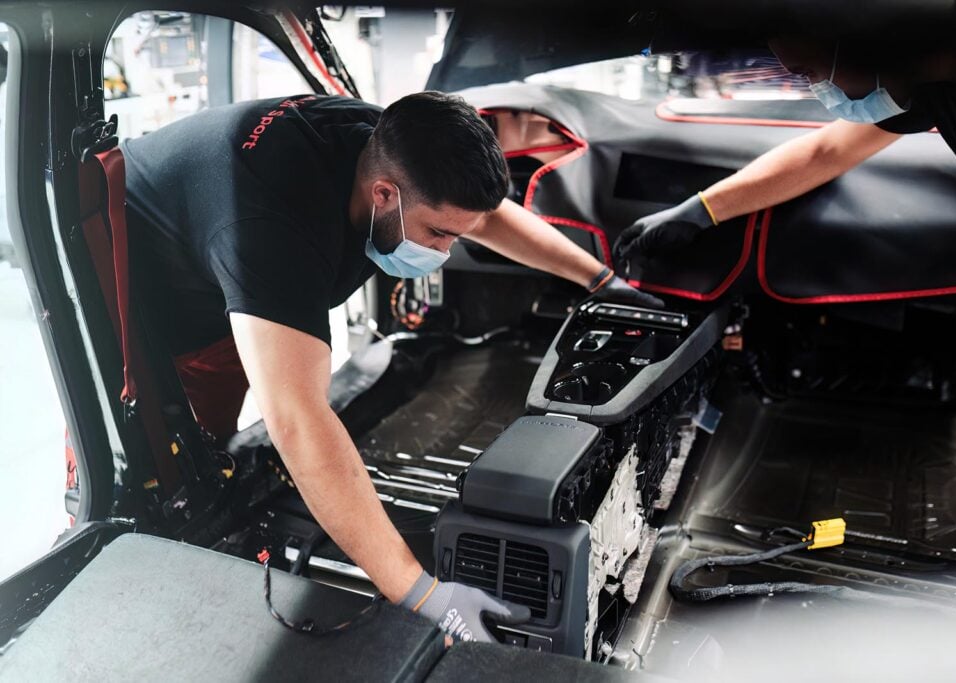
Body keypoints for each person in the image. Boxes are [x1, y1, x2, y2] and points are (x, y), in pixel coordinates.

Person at [123, 91, 662, 642]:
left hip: (222, 260)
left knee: (216, 454)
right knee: (160, 488)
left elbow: (489, 219)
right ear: (383, 194)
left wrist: (599, 281)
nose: (447, 252)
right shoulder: (271, 226)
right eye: (438, 236)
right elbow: (298, 423)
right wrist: (420, 592)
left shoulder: (393, 142)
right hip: (144, 306)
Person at [615, 36, 956, 261]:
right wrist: (701, 211)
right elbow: (827, 153)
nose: (820, 90)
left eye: (809, 73)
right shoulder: (935, 91)